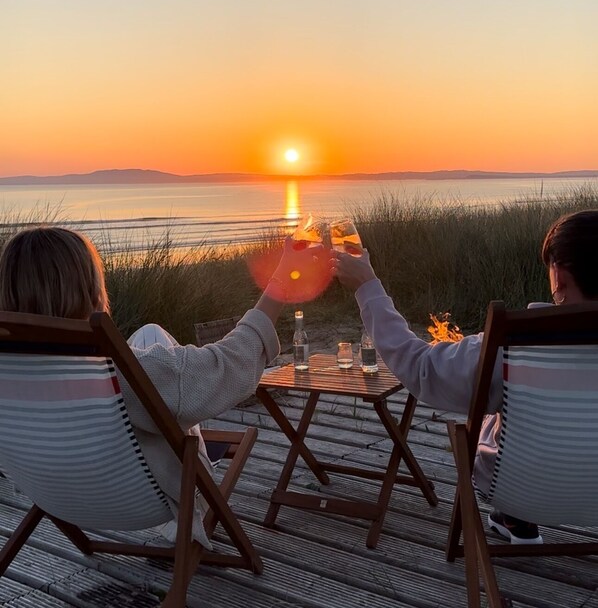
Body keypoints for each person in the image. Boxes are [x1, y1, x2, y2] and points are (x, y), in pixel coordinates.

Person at [0, 225, 325, 547]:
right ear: (89, 291)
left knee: (150, 334)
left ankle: (173, 411)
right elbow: (229, 364)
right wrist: (282, 280)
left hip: (54, 493)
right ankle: (183, 426)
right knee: (175, 381)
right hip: (143, 500)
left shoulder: (11, 375)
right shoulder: (120, 373)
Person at [333, 209, 598, 545]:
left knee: (499, 414)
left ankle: (518, 515)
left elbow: (420, 367)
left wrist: (367, 286)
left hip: (520, 487)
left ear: (557, 276)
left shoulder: (512, 345)